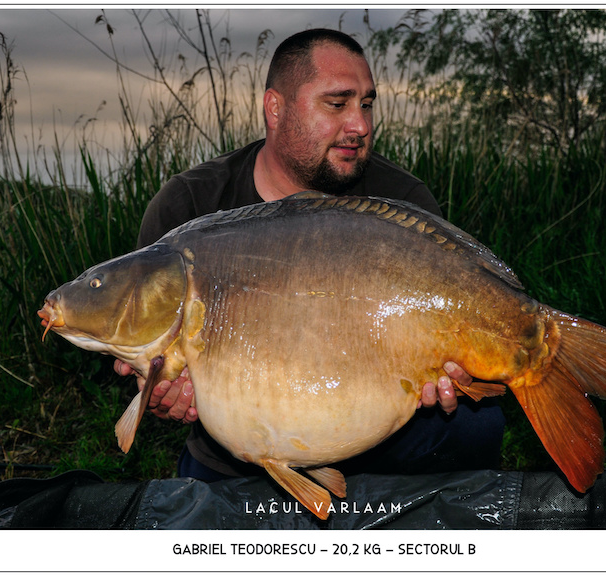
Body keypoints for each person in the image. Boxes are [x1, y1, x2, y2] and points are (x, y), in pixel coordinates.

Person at [115, 28, 505, 481]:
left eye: (366, 104)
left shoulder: (403, 203)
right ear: (275, 108)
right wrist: (160, 389)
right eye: (337, 104)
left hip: (378, 440)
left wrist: (453, 372)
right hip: (237, 456)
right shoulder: (189, 206)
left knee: (477, 424)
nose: (359, 125)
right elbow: (151, 355)